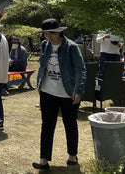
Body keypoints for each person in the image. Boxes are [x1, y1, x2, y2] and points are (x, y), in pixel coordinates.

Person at [32, 18, 86, 170]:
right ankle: (43, 160)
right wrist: (39, 83)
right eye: (45, 34)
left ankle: (72, 156)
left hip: (68, 93)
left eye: (50, 33)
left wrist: (78, 90)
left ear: (58, 32)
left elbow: (81, 70)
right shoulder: (45, 45)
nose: (47, 36)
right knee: (47, 126)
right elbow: (42, 65)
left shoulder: (71, 47)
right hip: (48, 92)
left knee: (70, 124)